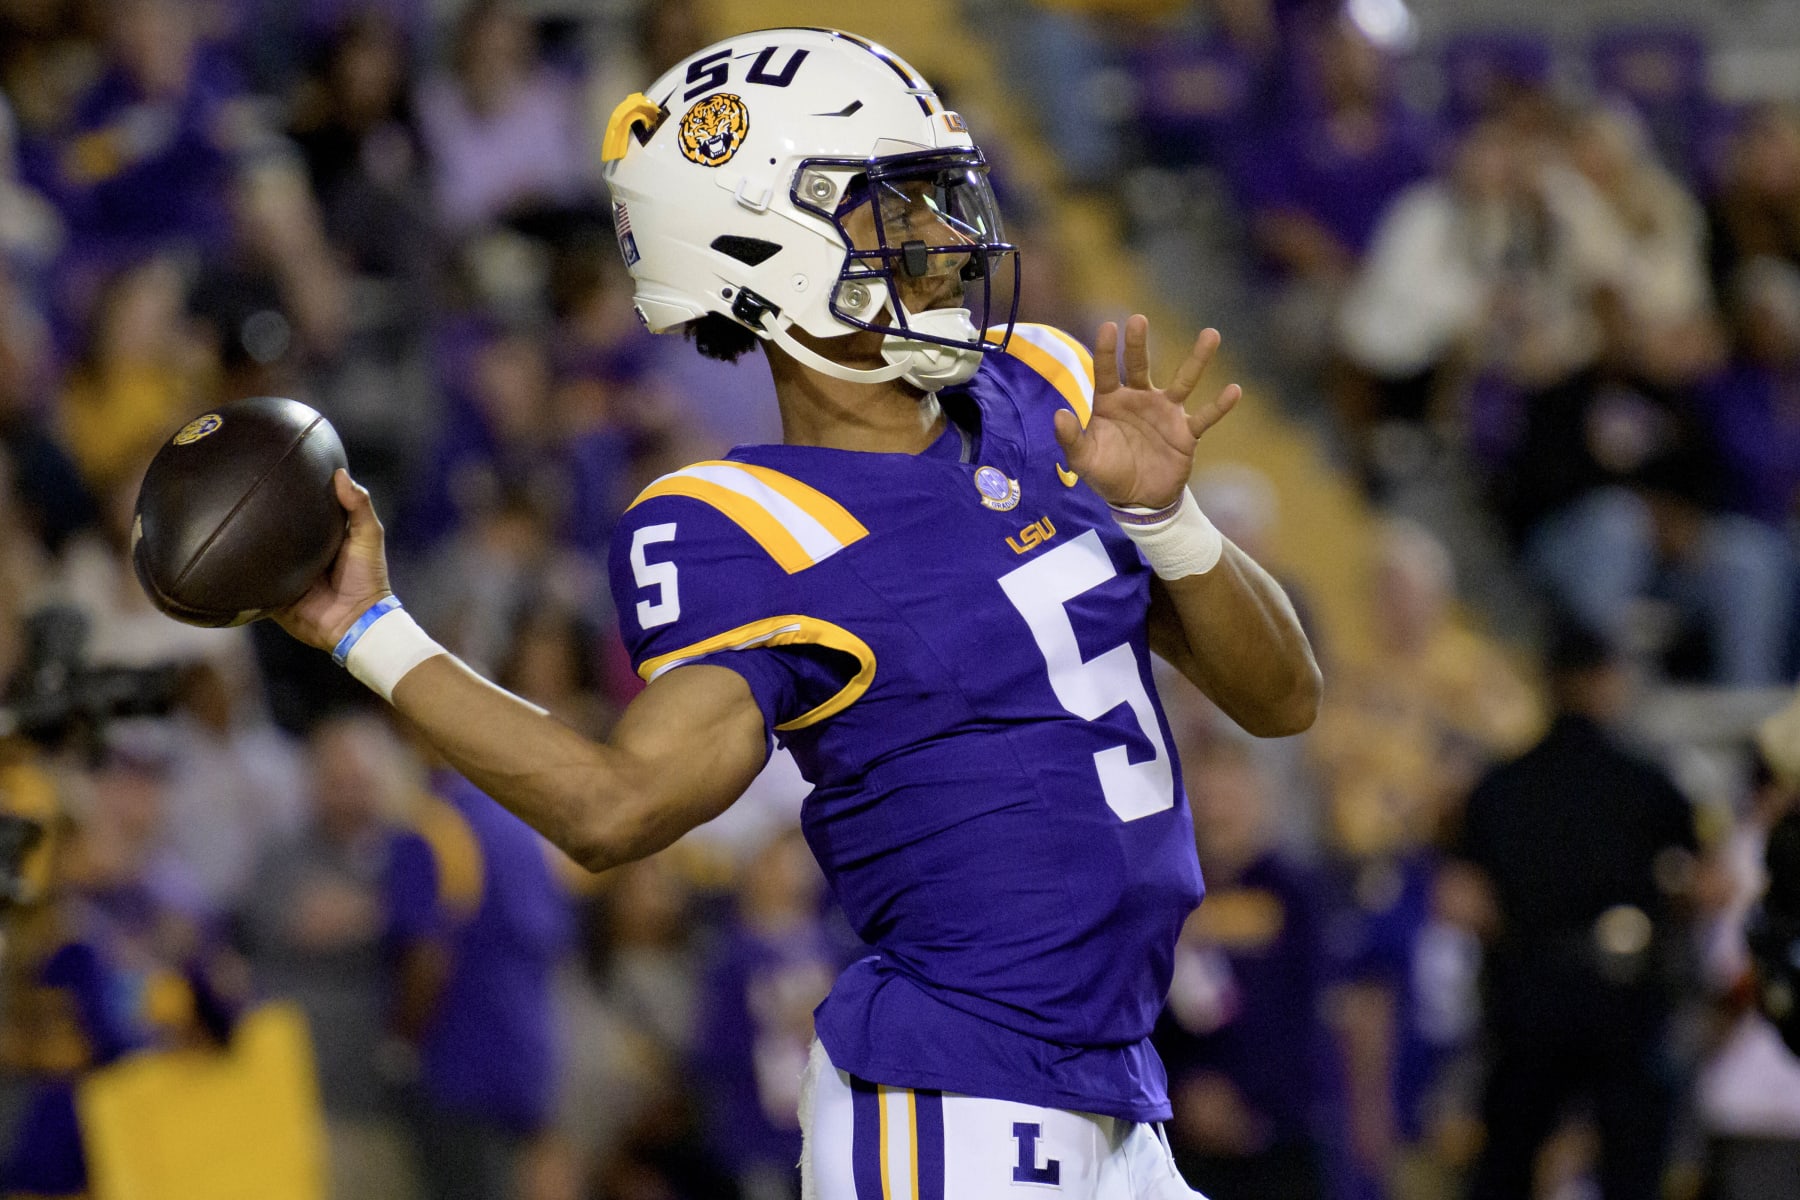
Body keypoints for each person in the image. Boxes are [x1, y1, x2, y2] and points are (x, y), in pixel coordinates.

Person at [271, 27, 1320, 1199]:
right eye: (894, 208)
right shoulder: (743, 523)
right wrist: (372, 631)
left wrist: (1172, 523)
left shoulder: (1048, 391)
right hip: (957, 1094)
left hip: (1119, 1084)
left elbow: (1283, 700)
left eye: (936, 198)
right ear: (759, 248)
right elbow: (615, 809)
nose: (943, 238)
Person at [1449, 621, 1701, 1200]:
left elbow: (1468, 899)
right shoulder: (1648, 784)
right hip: (1625, 998)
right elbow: (1698, 881)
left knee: (1507, 1165)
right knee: (1632, 1171)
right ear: (1605, 680)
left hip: (1528, 995)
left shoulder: (1500, 786)